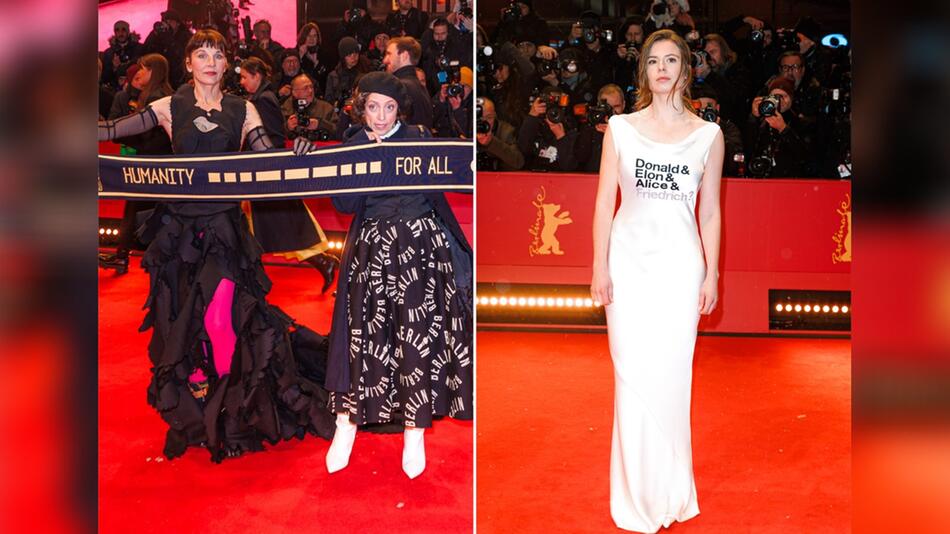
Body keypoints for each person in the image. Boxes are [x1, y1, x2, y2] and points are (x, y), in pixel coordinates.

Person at [97, 29, 335, 462]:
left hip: (224, 231)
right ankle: (205, 397)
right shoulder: (169, 106)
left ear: (227, 65)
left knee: (221, 318)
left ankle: (228, 407)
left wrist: (300, 151)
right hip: (178, 234)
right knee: (185, 322)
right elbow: (111, 130)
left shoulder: (242, 110)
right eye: (201, 54)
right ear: (188, 64)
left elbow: (267, 156)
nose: (210, 61)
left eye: (217, 55)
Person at [590, 29, 723, 531]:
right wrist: (599, 264)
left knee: (671, 379)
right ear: (643, 71)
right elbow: (605, 202)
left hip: (679, 268)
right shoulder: (620, 128)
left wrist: (712, 272)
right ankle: (635, 497)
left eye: (671, 60)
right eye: (653, 61)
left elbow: (709, 213)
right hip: (628, 263)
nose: (662, 69)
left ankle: (671, 490)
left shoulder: (708, 135)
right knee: (630, 374)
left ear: (685, 70)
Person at [323, 71, 473, 479]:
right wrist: (334, 161)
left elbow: (448, 185)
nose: (382, 116)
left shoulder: (418, 141)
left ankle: (414, 432)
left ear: (399, 109)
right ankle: (345, 427)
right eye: (373, 107)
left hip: (418, 251)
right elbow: (345, 204)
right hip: (370, 251)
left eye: (389, 108)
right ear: (361, 107)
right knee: (362, 340)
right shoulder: (353, 143)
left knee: (414, 341)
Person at [239, 57, 340, 291]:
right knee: (275, 227)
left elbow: (272, 136)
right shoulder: (262, 98)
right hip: (261, 172)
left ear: (257, 75)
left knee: (279, 226)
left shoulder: (264, 100)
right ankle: (321, 261)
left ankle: (321, 261)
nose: (242, 82)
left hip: (263, 173)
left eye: (245, 76)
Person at [100, 54, 174, 274]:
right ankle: (124, 254)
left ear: (154, 72)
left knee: (141, 212)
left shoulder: (157, 98)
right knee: (140, 211)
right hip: (153, 163)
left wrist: (121, 135)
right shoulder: (157, 95)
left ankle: (125, 255)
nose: (138, 72)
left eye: (143, 68)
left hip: (152, 164)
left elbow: (147, 136)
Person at [384, 37, 434, 129]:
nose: (385, 60)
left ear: (404, 56)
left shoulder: (400, 87)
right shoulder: (419, 86)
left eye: (389, 54)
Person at [295, 22, 331, 97]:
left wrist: (316, 64)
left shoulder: (323, 54)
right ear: (304, 37)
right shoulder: (296, 53)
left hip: (319, 93)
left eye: (314, 36)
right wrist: (300, 57)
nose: (312, 39)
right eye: (309, 36)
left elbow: (325, 77)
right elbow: (293, 75)